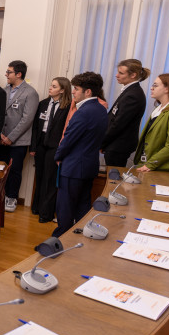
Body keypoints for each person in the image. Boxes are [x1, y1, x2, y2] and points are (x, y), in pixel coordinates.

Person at [53, 72, 108, 237]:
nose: (73, 92)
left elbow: (69, 139)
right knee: (82, 206)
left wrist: (58, 156)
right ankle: (79, 238)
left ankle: (59, 240)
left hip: (73, 167)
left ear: (88, 92)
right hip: (89, 165)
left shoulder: (83, 111)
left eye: (76, 89)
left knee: (65, 208)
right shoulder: (101, 109)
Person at [0, 60, 39, 213]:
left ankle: (11, 197)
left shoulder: (30, 93)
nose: (6, 75)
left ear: (18, 74)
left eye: (9, 72)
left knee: (14, 170)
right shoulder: (4, 90)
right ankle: (0, 196)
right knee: (1, 170)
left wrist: (11, 137)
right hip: (1, 139)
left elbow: (27, 119)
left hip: (18, 141)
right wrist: (1, 135)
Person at [30, 77, 71, 223]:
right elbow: (35, 127)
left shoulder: (68, 107)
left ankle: (46, 213)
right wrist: (33, 146)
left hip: (55, 146)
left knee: (50, 179)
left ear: (62, 90)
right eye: (51, 85)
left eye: (54, 86)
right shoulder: (43, 104)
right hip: (41, 144)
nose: (50, 88)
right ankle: (36, 207)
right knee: (40, 176)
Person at [133, 73, 169, 173]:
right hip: (148, 165)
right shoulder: (158, 109)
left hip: (164, 169)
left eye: (155, 85)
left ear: (168, 89)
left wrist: (151, 164)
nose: (151, 88)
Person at [101, 59, 150, 167]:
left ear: (133, 75)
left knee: (113, 178)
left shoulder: (133, 95)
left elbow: (118, 124)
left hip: (119, 145)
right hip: (115, 144)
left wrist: (102, 142)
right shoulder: (129, 91)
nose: (117, 75)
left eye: (121, 73)